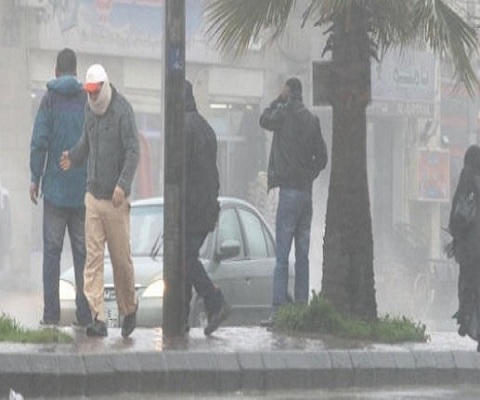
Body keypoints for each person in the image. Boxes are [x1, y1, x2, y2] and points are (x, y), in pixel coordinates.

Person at [60, 64, 140, 338]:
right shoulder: (88, 110)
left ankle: (129, 308)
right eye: (89, 92)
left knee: (120, 261)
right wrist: (73, 156)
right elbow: (87, 142)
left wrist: (122, 185)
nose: (92, 96)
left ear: (105, 86)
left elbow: (133, 151)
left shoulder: (123, 111)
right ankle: (98, 318)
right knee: (93, 259)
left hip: (116, 201)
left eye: (95, 92)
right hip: (93, 197)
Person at [29, 48, 91, 328]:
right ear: (76, 72)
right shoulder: (86, 99)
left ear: (56, 71)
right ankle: (85, 315)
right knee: (82, 255)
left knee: (52, 255)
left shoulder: (49, 100)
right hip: (81, 192)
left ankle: (51, 315)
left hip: (54, 191)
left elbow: (39, 141)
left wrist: (35, 177)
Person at [259, 77, 328, 326]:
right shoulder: (312, 120)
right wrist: (309, 175)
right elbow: (322, 158)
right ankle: (300, 308)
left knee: (281, 257)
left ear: (288, 92)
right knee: (302, 256)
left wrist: (278, 99)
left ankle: (278, 310)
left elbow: (263, 119)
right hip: (306, 195)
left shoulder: (283, 114)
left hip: (288, 192)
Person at [184, 80, 230, 335]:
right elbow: (212, 171)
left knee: (184, 258)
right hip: (207, 206)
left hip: (191, 208)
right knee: (185, 260)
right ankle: (182, 316)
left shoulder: (183, 127)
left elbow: (180, 173)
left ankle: (215, 301)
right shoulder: (206, 128)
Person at [447, 145, 480, 351]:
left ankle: (467, 318)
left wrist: (456, 236)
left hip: (471, 248)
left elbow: (459, 215)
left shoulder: (467, 178)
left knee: (469, 286)